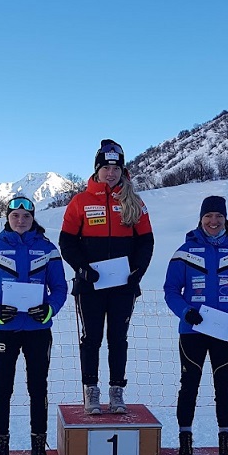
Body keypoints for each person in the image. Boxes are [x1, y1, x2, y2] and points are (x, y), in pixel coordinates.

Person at [59, 139, 154, 414]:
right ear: (96, 170)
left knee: (118, 339)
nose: (110, 173)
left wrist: (138, 271)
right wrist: (82, 269)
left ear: (122, 171)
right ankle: (91, 390)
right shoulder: (80, 201)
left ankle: (116, 391)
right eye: (105, 168)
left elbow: (146, 242)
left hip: (123, 285)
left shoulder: (134, 201)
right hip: (90, 285)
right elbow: (67, 242)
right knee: (91, 339)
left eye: (116, 168)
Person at [0, 197, 67, 455]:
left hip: (38, 330)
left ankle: (38, 448)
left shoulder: (48, 249)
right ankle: (1, 450)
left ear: (33, 218)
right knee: (2, 388)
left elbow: (60, 288)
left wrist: (49, 310)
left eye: (26, 216)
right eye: (15, 215)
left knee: (38, 388)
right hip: (4, 331)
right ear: (7, 218)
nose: (21, 220)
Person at [164, 195, 228, 455]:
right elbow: (171, 290)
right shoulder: (184, 251)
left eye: (218, 216)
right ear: (200, 219)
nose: (213, 221)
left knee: (224, 386)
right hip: (192, 331)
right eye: (208, 216)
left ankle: (225, 443)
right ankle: (185, 442)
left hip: (225, 332)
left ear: (226, 219)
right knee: (189, 385)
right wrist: (185, 312)